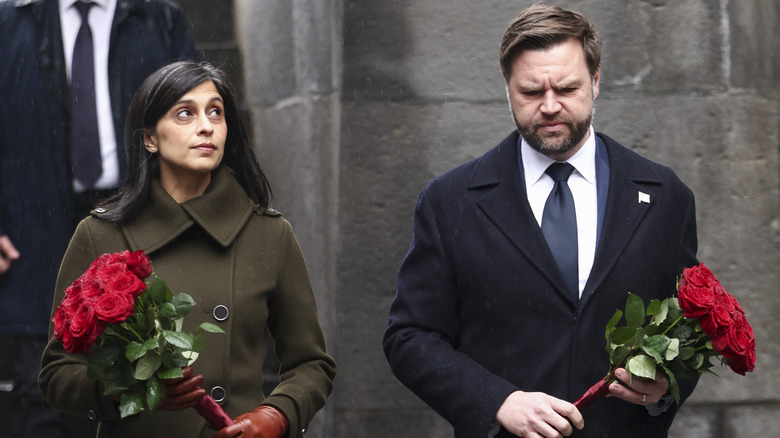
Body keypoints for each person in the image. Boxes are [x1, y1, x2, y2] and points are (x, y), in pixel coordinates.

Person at [382, 5, 699, 438]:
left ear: (596, 81)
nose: (550, 106)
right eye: (531, 91)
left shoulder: (665, 195)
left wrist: (664, 388)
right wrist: (498, 401)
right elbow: (410, 337)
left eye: (567, 88)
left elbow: (689, 329)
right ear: (507, 88)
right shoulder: (449, 201)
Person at [38, 61, 337, 438]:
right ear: (150, 138)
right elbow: (57, 372)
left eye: (216, 112)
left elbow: (311, 364)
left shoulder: (269, 235)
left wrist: (276, 416)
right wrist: (126, 390)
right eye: (185, 113)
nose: (206, 126)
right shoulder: (100, 234)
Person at [0, 1, 197, 436]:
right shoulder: (10, 22)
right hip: (33, 227)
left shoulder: (157, 18)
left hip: (140, 220)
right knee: (42, 392)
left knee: (147, 387)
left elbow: (201, 122)